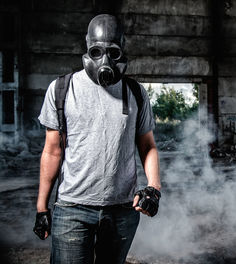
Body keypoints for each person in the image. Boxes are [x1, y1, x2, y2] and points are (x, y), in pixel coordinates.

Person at [33, 14, 161, 264]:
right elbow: (52, 151)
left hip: (122, 210)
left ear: (122, 50)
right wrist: (41, 207)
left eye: (113, 53)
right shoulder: (61, 89)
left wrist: (154, 188)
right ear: (87, 47)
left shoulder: (135, 92)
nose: (104, 61)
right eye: (96, 51)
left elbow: (147, 146)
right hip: (72, 209)